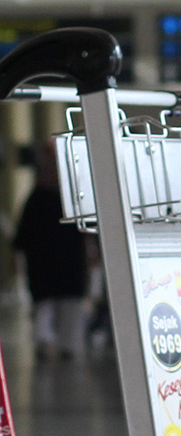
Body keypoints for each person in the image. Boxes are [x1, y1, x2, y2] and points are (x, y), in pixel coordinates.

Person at [14, 141, 90, 360]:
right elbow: (25, 233)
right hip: (44, 260)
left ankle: (67, 344)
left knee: (69, 303)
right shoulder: (38, 198)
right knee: (45, 304)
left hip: (68, 258)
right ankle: (45, 342)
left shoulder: (72, 198)